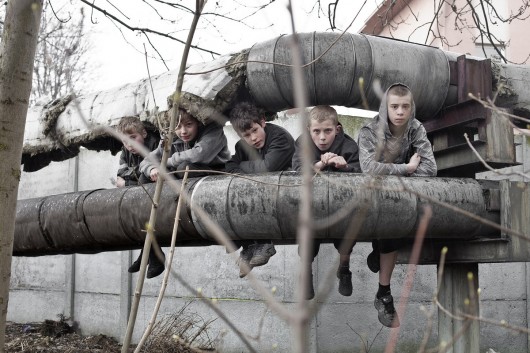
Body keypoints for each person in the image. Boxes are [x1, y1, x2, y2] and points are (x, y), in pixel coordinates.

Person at [358, 83, 437, 328]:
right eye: (394, 106)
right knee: (388, 229)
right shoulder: (370, 130)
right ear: (386, 108)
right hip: (368, 197)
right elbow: (369, 169)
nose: (400, 112)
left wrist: (395, 175)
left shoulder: (415, 129)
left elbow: (431, 170)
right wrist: (407, 169)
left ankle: (383, 288)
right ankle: (383, 290)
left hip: (398, 196)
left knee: (394, 228)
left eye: (405, 106)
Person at [135, 108, 230, 278]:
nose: (183, 131)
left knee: (184, 167)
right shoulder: (170, 136)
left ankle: (172, 223)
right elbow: (146, 160)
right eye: (178, 127)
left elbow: (199, 155)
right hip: (180, 176)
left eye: (189, 125)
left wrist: (165, 162)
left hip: (215, 173)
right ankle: (152, 250)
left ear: (198, 122)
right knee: (143, 179)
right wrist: (152, 170)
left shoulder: (213, 130)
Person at [292, 105, 361, 300]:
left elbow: (361, 176)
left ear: (337, 129)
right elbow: (297, 171)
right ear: (308, 130)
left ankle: (344, 268)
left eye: (327, 131)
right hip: (311, 207)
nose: (322, 137)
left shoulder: (349, 146)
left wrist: (344, 166)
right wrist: (321, 164)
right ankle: (306, 273)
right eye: (317, 131)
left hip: (341, 207)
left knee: (348, 234)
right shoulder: (302, 143)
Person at [225, 101, 295, 278]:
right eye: (246, 135)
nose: (253, 138)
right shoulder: (242, 146)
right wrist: (243, 168)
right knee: (238, 188)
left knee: (260, 182)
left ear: (263, 121)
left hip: (285, 196)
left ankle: (264, 243)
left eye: (255, 130)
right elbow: (230, 167)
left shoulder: (280, 137)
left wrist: (242, 166)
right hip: (259, 197)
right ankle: (248, 245)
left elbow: (267, 168)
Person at [116, 116, 160, 187]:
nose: (130, 144)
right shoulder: (125, 150)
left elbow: (152, 180)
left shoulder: (155, 145)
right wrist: (140, 171)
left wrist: (126, 183)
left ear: (144, 133)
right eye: (125, 141)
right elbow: (121, 176)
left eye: (133, 138)